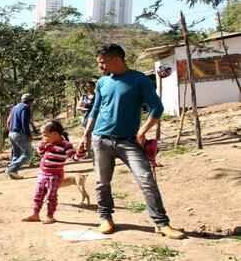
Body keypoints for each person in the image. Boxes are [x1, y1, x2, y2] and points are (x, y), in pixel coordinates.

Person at [78, 43, 185, 239]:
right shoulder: (102, 82)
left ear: (117, 60)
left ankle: (161, 223)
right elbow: (95, 111)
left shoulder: (139, 80)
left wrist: (142, 132)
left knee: (146, 180)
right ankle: (105, 218)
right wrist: (85, 135)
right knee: (102, 182)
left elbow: (157, 109)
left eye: (103, 63)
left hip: (128, 141)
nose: (100, 67)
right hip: (100, 139)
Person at [22, 120, 79, 224]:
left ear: (55, 134)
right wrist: (41, 147)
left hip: (55, 175)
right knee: (38, 194)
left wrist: (80, 152)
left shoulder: (66, 145)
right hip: (43, 173)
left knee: (51, 196)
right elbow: (41, 153)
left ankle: (50, 216)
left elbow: (74, 157)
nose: (44, 138)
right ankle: (35, 214)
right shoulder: (47, 143)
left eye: (45, 135)